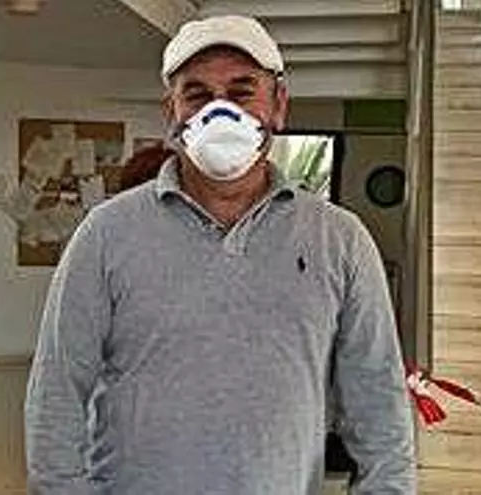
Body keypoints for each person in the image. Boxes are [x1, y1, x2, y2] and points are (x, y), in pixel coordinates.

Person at [24, 15, 415, 495]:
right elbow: (56, 393)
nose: (220, 112)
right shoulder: (106, 235)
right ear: (171, 112)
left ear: (279, 104)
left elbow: (379, 405)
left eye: (241, 91)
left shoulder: (340, 240)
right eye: (197, 95)